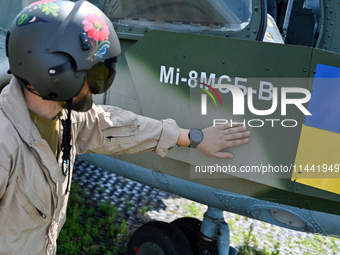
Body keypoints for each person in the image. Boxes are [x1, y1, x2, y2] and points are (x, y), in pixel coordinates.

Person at [0, 0, 250, 254]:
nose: (98, 88)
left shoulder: (64, 116)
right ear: (53, 74)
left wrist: (193, 137)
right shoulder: (5, 145)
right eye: (94, 76)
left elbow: (116, 127)